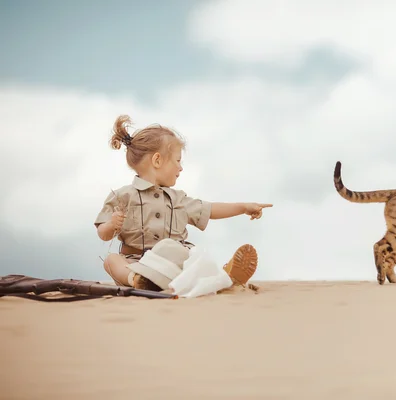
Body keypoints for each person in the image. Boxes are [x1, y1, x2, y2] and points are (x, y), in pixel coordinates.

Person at [94, 115, 272, 292]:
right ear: (157, 161)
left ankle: (223, 276)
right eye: (178, 161)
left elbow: (211, 209)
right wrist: (111, 225)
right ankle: (137, 280)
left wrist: (243, 207)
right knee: (111, 261)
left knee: (191, 255)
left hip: (172, 263)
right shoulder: (121, 196)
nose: (181, 168)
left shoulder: (178, 199)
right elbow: (103, 232)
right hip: (136, 263)